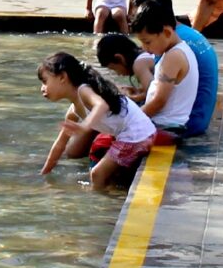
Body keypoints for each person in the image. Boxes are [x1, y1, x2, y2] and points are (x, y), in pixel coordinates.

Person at [36, 51, 156, 190]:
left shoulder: (84, 90)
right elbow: (60, 145)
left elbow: (101, 105)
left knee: (97, 174)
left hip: (137, 136)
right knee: (104, 174)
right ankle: (109, 193)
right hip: (134, 135)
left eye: (45, 81)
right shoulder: (73, 110)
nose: (42, 88)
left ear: (62, 77)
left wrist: (85, 126)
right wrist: (45, 172)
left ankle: (101, 206)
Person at [126, 3, 202, 138]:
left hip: (166, 128)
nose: (144, 48)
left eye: (147, 42)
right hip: (165, 125)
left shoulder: (173, 57)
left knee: (104, 138)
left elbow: (159, 101)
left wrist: (132, 119)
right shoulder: (176, 51)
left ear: (167, 32)